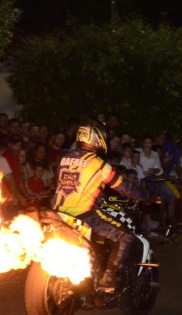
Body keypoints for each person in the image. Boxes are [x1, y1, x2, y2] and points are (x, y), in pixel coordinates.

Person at [51, 124, 144, 291]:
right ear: (97, 139)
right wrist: (144, 196)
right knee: (125, 237)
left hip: (57, 211)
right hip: (84, 213)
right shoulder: (97, 163)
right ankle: (108, 278)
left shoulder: (64, 158)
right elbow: (122, 186)